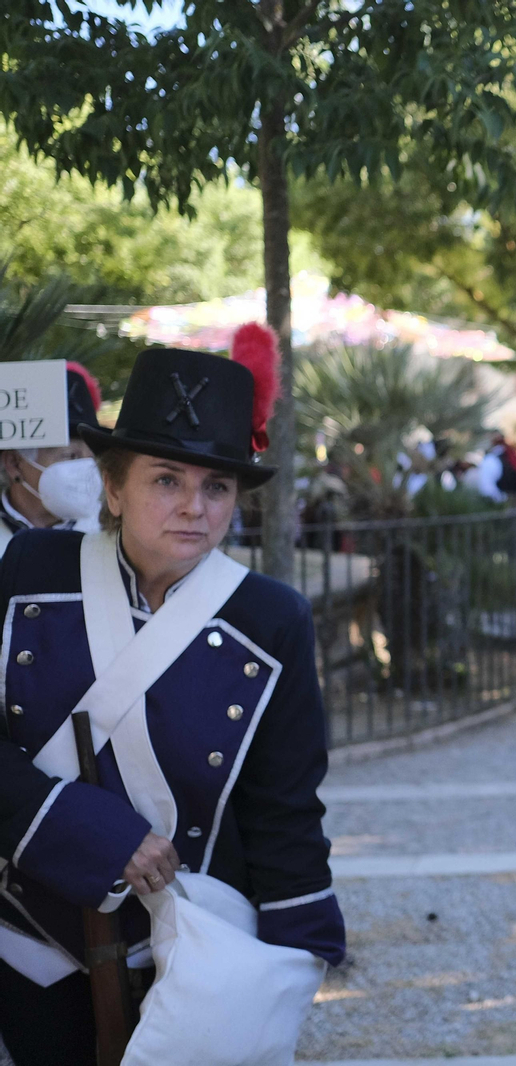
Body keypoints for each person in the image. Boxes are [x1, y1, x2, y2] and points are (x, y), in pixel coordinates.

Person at [0, 327, 344, 1066]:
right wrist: (81, 830)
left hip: (190, 958)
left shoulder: (270, 618)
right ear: (113, 487)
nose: (194, 506)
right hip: (25, 945)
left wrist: (294, 958)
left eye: (215, 486)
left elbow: (282, 806)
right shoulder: (29, 568)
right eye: (166, 479)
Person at [0, 363, 108, 554]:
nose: (86, 469)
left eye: (91, 457)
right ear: (14, 464)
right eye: (70, 456)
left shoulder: (112, 535)